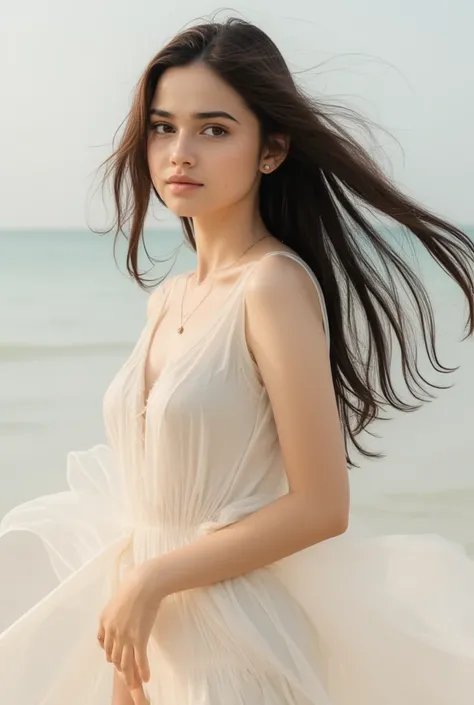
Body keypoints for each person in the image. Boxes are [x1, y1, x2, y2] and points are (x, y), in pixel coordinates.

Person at [1, 15, 474, 705]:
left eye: (213, 129)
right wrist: (131, 645)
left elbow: (321, 505)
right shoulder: (168, 299)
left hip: (237, 651)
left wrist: (152, 579)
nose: (179, 153)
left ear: (271, 150)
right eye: (164, 126)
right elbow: (152, 499)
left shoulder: (273, 285)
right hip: (158, 650)